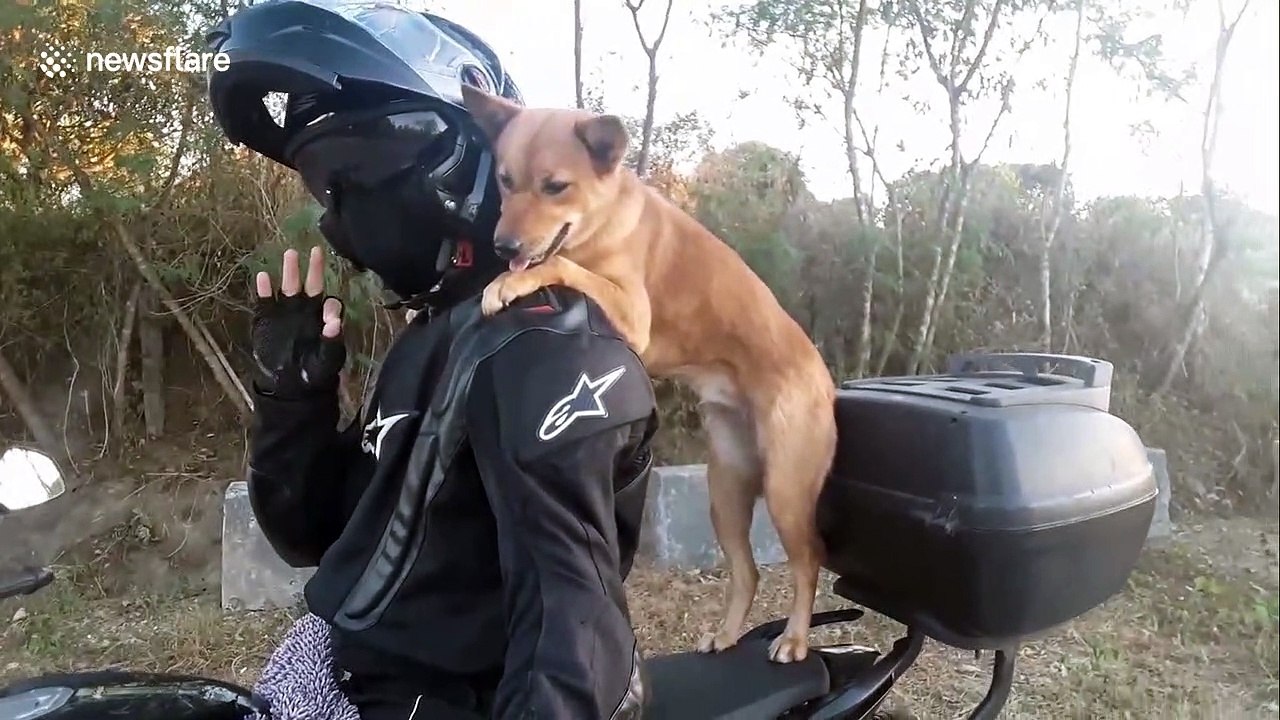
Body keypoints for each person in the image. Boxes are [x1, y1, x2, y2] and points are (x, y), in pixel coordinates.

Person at [206, 2, 656, 718]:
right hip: (348, 671)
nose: (346, 206)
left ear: (477, 162)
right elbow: (313, 537)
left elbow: (571, 622)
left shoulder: (547, 345)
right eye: (329, 183)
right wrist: (294, 402)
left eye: (367, 167)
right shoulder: (435, 334)